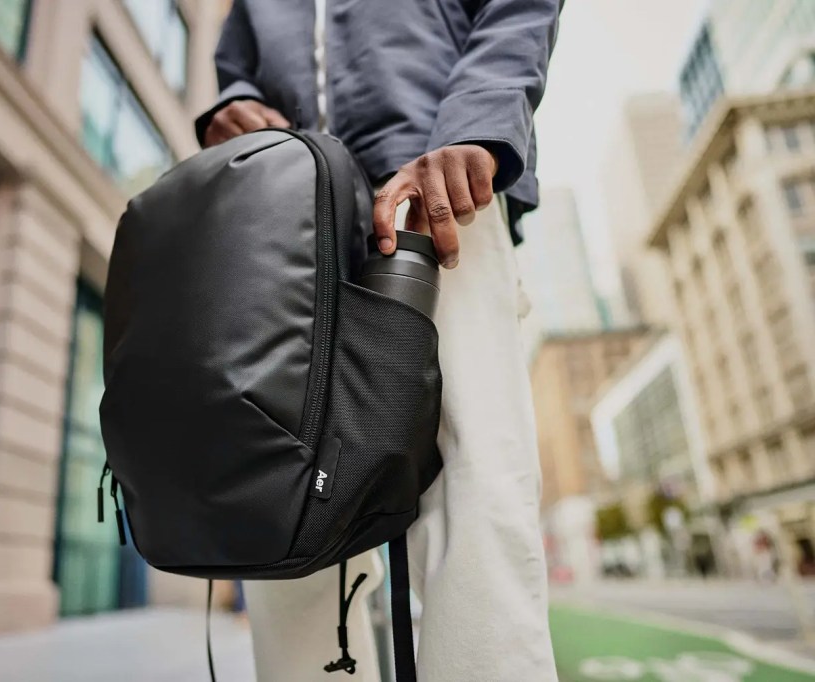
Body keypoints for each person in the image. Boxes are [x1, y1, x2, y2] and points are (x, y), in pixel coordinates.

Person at [196, 1, 563, 679]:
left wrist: (478, 126)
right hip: (284, 212)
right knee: (279, 506)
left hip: (435, 186)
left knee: (476, 493)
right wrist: (235, 104)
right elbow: (236, 68)